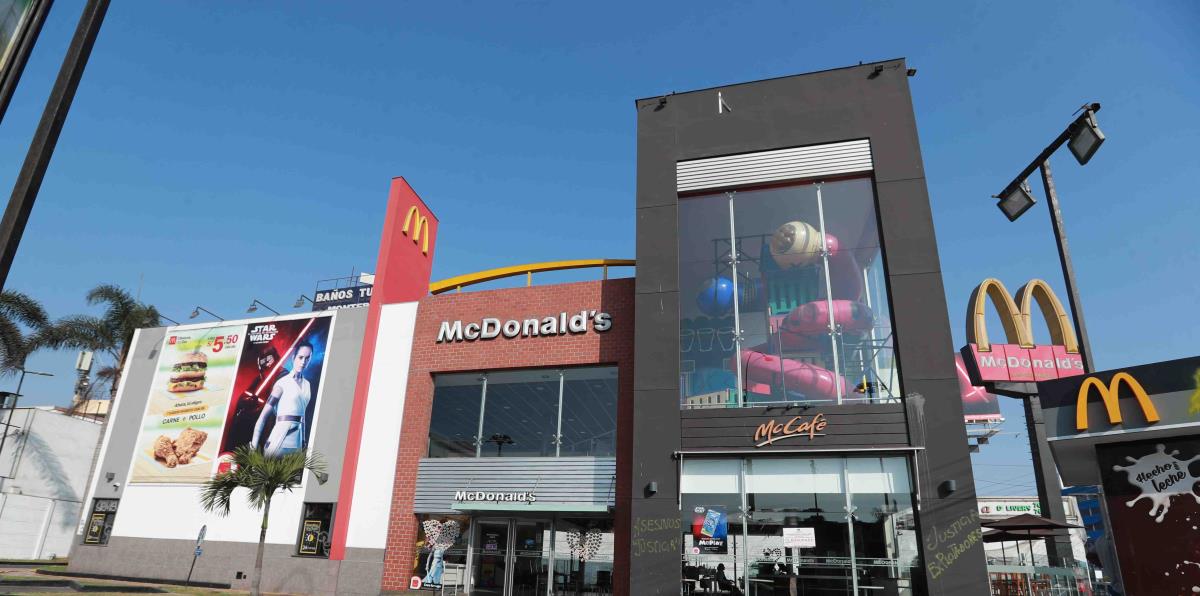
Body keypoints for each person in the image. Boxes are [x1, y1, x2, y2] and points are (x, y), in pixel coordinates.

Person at [251, 343, 314, 456]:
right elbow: (262, 418)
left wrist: (304, 441)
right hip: (279, 438)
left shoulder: (307, 385)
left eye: (307, 358)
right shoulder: (282, 383)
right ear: (294, 357)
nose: (303, 361)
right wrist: (253, 447)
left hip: (297, 441)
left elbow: (302, 415)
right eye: (300, 357)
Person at [224, 346, 287, 452]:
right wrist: (246, 402)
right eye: (263, 361)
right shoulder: (260, 379)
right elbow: (244, 396)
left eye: (269, 359)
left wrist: (257, 410)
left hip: (270, 426)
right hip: (251, 425)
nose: (266, 363)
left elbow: (277, 406)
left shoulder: (283, 377)